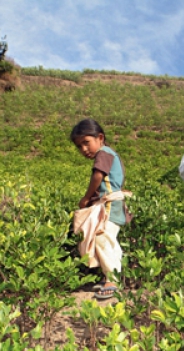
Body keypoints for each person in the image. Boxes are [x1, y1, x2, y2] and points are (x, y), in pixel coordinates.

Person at [71, 118, 128, 299]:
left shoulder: (104, 153)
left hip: (111, 204)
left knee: (102, 236)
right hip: (113, 202)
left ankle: (112, 280)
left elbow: (98, 176)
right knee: (108, 239)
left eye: (86, 143)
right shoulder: (109, 154)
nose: (84, 149)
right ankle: (111, 277)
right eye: (79, 146)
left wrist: (87, 198)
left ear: (100, 138)